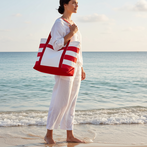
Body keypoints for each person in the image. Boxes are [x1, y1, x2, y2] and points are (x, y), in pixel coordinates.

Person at [44, 0, 86, 144]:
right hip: (64, 67)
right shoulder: (59, 23)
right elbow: (56, 45)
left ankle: (70, 135)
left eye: (77, 3)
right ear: (65, 5)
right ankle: (48, 134)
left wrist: (81, 67)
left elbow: (77, 48)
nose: (76, 5)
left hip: (75, 66)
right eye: (73, 2)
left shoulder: (73, 24)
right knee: (60, 101)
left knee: (72, 101)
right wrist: (71, 33)